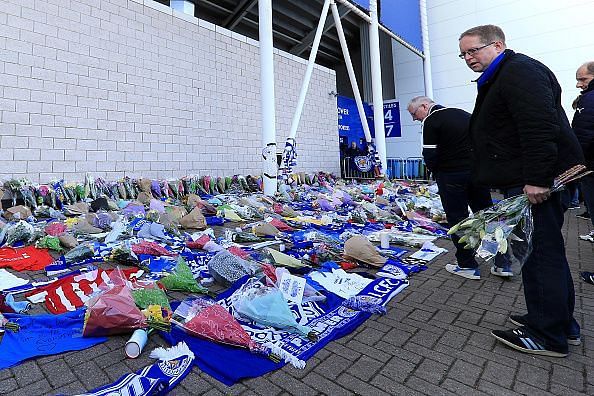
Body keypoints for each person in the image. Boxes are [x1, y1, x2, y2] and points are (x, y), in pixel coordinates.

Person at [458, 24, 584, 357]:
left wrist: (538, 178)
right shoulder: (505, 74)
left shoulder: (518, 71)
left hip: (536, 181)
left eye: (473, 50)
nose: (468, 58)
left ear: (496, 45)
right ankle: (560, 323)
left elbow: (538, 125)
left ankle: (547, 335)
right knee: (543, 253)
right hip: (527, 178)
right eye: (463, 54)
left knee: (540, 256)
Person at [407, 96, 512, 279]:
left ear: (424, 106)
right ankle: (502, 263)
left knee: (458, 219)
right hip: (476, 174)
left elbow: (430, 154)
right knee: (488, 216)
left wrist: (436, 172)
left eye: (414, 113)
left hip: (451, 175)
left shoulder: (432, 120)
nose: (414, 119)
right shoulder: (464, 114)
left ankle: (467, 265)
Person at [573, 62, 594, 243]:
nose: (579, 84)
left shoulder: (589, 99)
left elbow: (582, 135)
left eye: (583, 79)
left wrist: (574, 163)